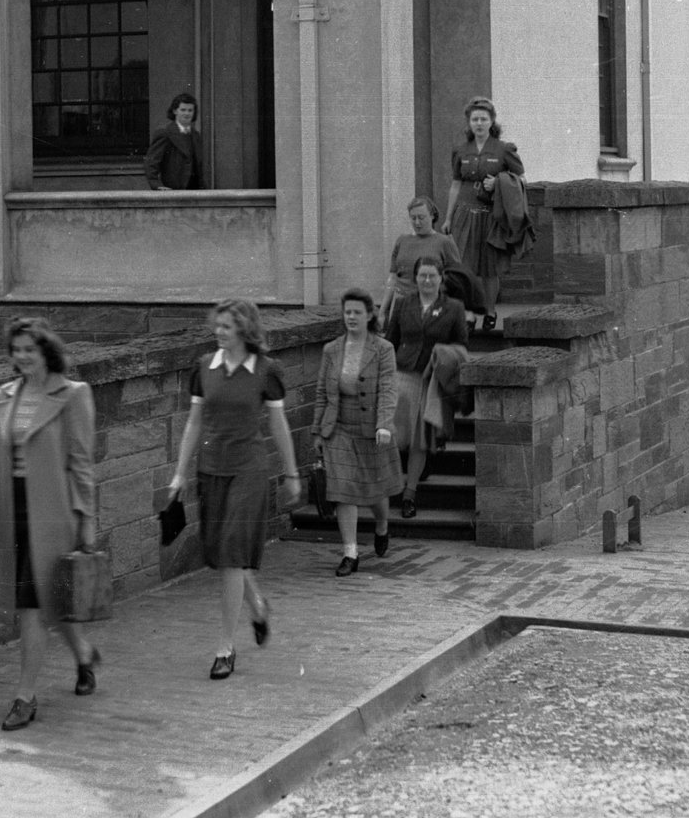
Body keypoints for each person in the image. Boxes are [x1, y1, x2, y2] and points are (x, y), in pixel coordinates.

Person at [0, 317, 103, 732]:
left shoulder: (72, 394)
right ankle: (84, 655)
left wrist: (87, 522)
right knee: (45, 603)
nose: (21, 357)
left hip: (54, 513)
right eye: (16, 350)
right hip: (14, 512)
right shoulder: (3, 396)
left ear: (46, 352)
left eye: (29, 350)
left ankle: (25, 696)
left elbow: (81, 465)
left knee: (35, 607)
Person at [168, 299, 303, 679]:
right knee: (225, 555)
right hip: (211, 471)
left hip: (249, 471)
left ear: (244, 329)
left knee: (230, 556)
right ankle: (258, 606)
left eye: (226, 326)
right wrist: (179, 474)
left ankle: (225, 648)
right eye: (218, 326)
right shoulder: (204, 368)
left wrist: (292, 474)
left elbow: (278, 425)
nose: (219, 332)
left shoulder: (266, 370)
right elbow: (195, 424)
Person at [316, 288, 402, 576]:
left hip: (372, 427)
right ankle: (350, 553)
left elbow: (388, 389)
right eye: (347, 312)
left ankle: (382, 525)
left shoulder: (383, 349)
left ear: (369, 315)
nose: (351, 317)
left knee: (375, 490)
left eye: (357, 312)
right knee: (344, 491)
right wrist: (318, 431)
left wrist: (384, 424)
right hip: (339, 427)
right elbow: (321, 393)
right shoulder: (331, 350)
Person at [387, 257, 470, 520]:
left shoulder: (454, 308)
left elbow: (461, 345)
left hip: (431, 380)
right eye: (422, 276)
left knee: (419, 441)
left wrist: (442, 355)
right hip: (403, 376)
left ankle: (409, 494)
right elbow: (390, 341)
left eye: (432, 276)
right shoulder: (402, 304)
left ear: (441, 278)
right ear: (416, 278)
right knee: (395, 437)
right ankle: (388, 486)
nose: (426, 281)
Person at [446, 95, 525, 329]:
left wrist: (499, 182)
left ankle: (490, 312)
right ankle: (469, 313)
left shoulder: (504, 149)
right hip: (465, 215)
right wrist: (448, 217)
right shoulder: (460, 150)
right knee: (466, 267)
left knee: (490, 269)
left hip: (492, 216)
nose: (479, 123)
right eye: (474, 119)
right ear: (469, 123)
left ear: (492, 122)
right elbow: (456, 184)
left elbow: (521, 179)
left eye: (483, 119)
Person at [383, 196, 466, 328]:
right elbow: (393, 277)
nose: (417, 222)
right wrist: (382, 311)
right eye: (413, 218)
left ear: (432, 216)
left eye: (421, 218)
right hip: (401, 303)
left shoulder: (444, 242)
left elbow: (457, 279)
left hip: (430, 304)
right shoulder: (402, 241)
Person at [143, 92, 205, 190]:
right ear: (175, 111)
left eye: (190, 110)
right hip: (173, 190)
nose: (187, 113)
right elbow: (151, 162)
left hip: (195, 190)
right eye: (183, 110)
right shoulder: (165, 133)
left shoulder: (195, 135)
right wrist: (157, 185)